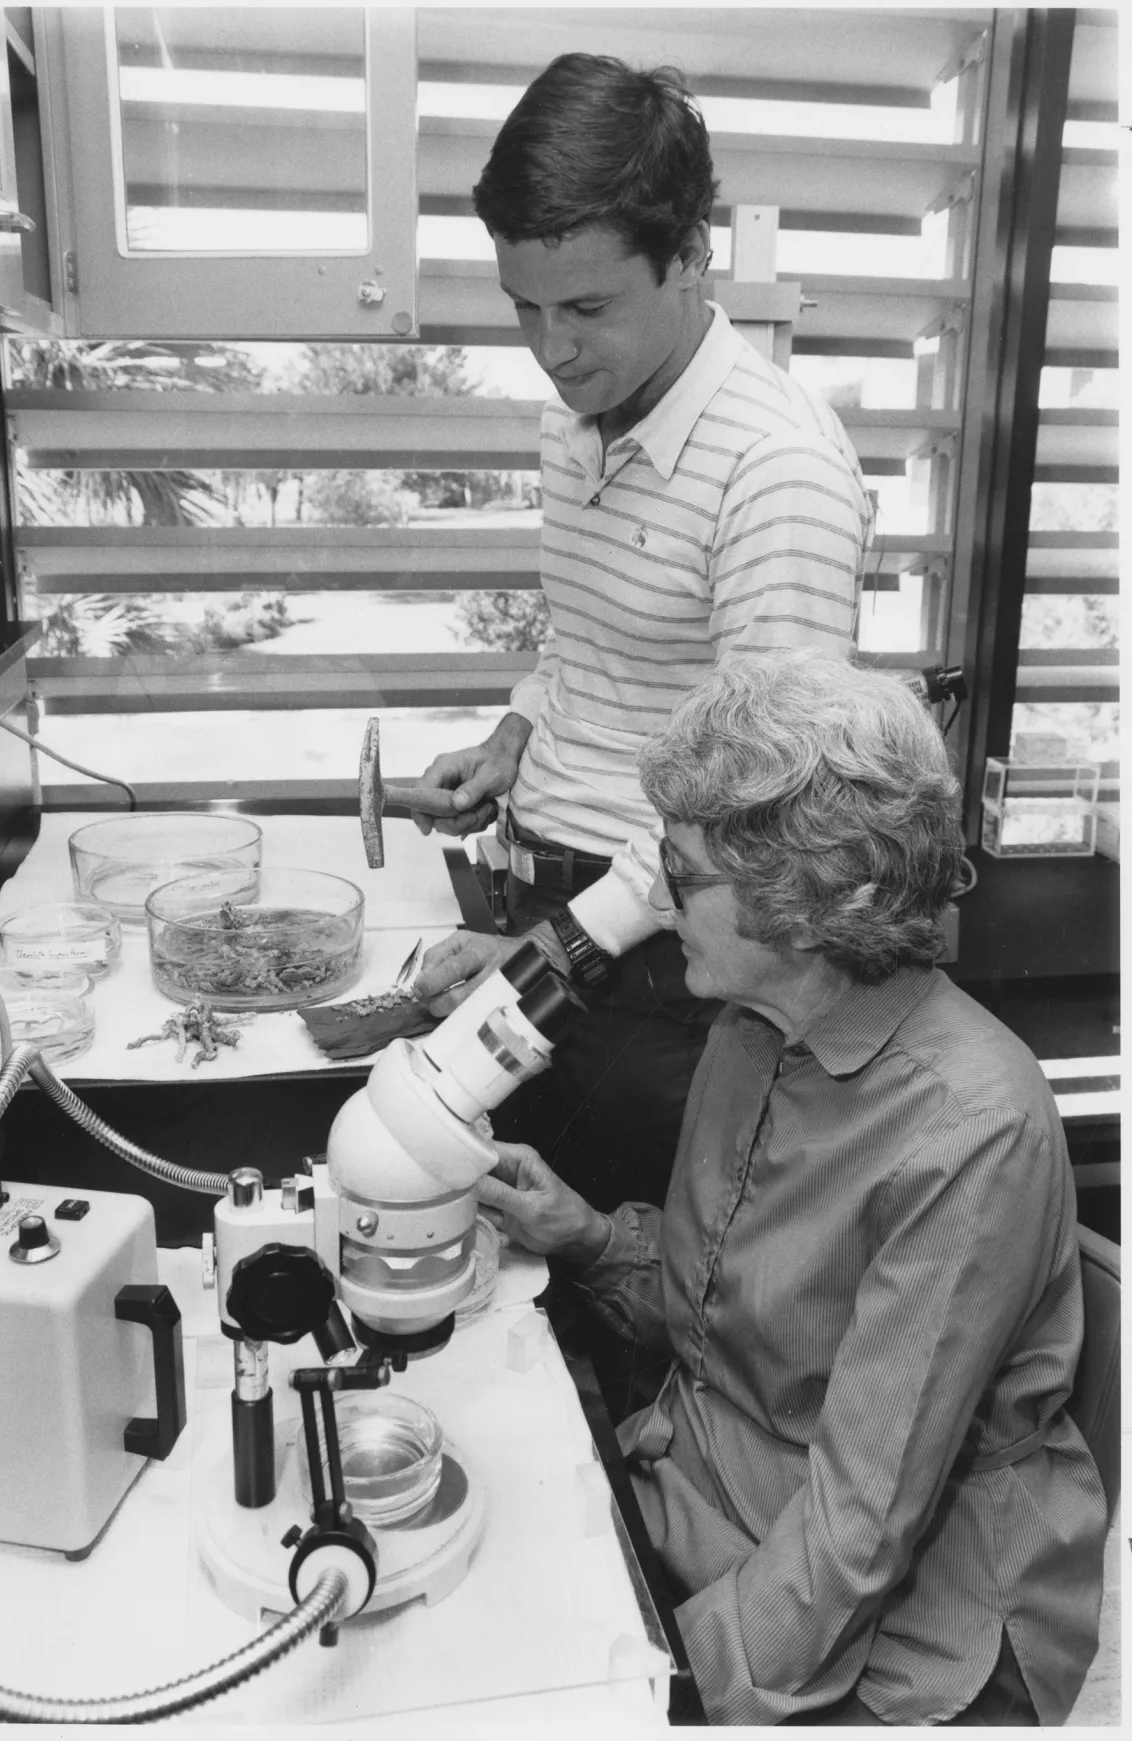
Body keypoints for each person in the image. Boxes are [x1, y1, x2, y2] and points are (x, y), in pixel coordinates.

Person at [475, 649, 1108, 1726]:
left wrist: (669, 1691)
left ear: (802, 898)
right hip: (720, 1496)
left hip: (912, 1615)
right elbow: (728, 1310)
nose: (658, 904)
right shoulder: (751, 1023)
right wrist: (584, 1234)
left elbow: (860, 1527)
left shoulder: (969, 1127)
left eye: (681, 874)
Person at [412, 53, 872, 1211]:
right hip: (556, 927)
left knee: (615, 1324)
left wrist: (550, 961)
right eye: (524, 306)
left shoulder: (778, 471)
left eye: (586, 308)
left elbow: (755, 795)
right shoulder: (584, 417)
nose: (550, 349)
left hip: (663, 980)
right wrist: (515, 734)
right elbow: (585, 636)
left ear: (688, 258)